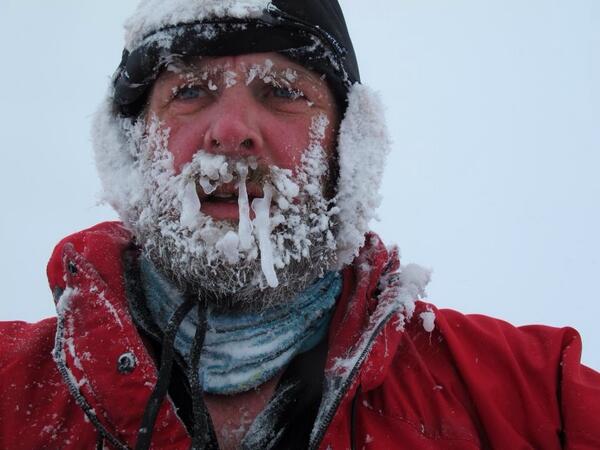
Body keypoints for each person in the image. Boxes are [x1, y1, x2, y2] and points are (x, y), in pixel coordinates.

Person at [1, 1, 599, 449]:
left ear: (349, 148)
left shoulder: (533, 397)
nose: (232, 130)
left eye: (283, 91)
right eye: (188, 91)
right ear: (134, 148)